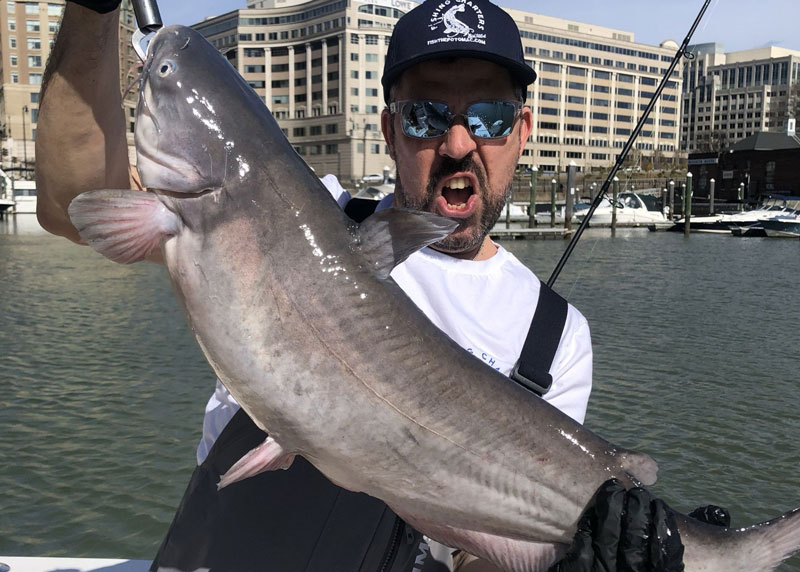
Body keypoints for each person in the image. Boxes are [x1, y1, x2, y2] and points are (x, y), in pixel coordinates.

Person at [37, 1, 722, 570]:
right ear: (391, 132)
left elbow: (475, 563)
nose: (458, 144)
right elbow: (70, 199)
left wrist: (585, 560)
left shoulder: (555, 338)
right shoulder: (294, 220)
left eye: (487, 118)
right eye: (427, 117)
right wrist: (92, 13)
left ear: (523, 134)